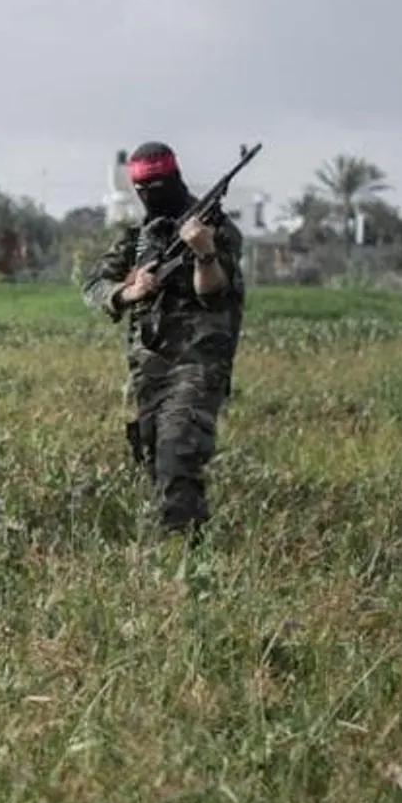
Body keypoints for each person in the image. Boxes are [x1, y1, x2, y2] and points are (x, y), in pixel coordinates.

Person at [81, 140, 245, 538]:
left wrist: (202, 252)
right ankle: (190, 542)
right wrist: (129, 291)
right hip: (150, 367)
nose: (151, 194)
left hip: (199, 363)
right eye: (143, 188)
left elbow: (213, 292)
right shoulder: (140, 238)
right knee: (154, 458)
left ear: (175, 178)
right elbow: (94, 286)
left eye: (159, 184)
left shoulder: (215, 230)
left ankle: (183, 556)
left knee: (177, 454)